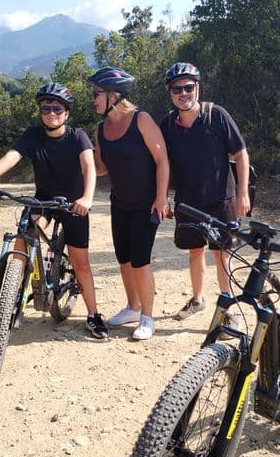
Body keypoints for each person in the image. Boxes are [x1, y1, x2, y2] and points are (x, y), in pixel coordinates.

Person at [0, 82, 109, 340]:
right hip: (43, 201)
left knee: (81, 263)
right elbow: (13, 155)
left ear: (66, 112)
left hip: (73, 205)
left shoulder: (77, 136)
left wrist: (87, 198)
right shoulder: (33, 135)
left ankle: (93, 315)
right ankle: (11, 296)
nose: (51, 113)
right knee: (24, 239)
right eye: (45, 108)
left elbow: (89, 167)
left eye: (57, 108)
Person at [159, 62, 251, 327]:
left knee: (221, 254)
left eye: (189, 87)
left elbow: (241, 153)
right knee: (195, 252)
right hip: (188, 202)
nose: (183, 93)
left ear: (197, 87)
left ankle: (228, 308)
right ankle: (198, 299)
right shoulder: (167, 124)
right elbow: (160, 162)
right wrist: (162, 196)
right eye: (177, 89)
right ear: (170, 92)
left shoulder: (216, 115)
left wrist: (243, 193)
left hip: (221, 198)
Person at [88, 66, 170, 340]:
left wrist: (161, 197)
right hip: (118, 203)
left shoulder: (141, 120)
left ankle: (148, 316)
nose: (93, 99)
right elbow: (99, 169)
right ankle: (133, 307)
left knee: (140, 261)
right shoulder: (101, 129)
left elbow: (162, 160)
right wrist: (77, 155)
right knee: (123, 259)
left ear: (113, 95)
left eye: (96, 93)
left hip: (145, 205)